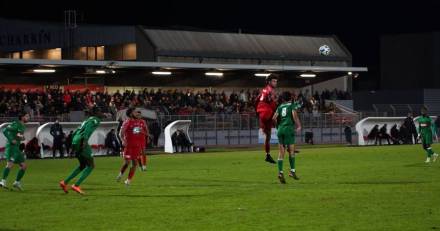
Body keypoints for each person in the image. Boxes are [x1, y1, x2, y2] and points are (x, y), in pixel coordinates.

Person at [59, 107, 103, 194]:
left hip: (75, 140)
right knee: (91, 165)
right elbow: (87, 131)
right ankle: (76, 185)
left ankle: (64, 182)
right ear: (96, 112)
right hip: (82, 141)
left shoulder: (86, 121)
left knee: (82, 165)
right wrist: (84, 142)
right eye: (100, 111)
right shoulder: (95, 120)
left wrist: (72, 147)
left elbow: (76, 132)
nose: (101, 113)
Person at [272, 92, 302, 184]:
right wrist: (299, 126)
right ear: (290, 98)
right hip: (289, 129)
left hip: (280, 129)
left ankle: (280, 173)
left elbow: (273, 118)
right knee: (291, 151)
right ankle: (292, 171)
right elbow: (294, 115)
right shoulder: (291, 106)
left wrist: (278, 127)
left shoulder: (280, 106)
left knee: (281, 153)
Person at [116, 107, 148, 185]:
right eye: (134, 112)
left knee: (135, 164)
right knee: (127, 162)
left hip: (136, 146)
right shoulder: (127, 122)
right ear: (131, 114)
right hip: (129, 146)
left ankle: (128, 180)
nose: (136, 113)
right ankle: (120, 174)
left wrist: (143, 133)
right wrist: (123, 140)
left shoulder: (139, 122)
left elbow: (137, 131)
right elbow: (121, 133)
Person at [0, 112, 30, 190]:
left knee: (24, 166)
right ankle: (3, 181)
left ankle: (16, 182)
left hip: (17, 148)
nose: (28, 118)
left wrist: (22, 138)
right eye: (27, 116)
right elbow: (5, 130)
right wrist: (11, 139)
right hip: (12, 147)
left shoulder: (22, 125)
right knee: (10, 164)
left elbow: (17, 134)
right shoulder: (15, 124)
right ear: (22, 117)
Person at [256, 74, 278, 164]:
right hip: (267, 112)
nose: (275, 83)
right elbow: (272, 103)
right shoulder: (270, 90)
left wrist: (257, 112)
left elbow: (257, 100)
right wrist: (276, 112)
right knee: (282, 123)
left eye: (276, 81)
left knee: (268, 136)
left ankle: (267, 155)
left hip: (262, 113)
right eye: (273, 81)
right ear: (269, 82)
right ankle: (289, 148)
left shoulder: (264, 90)